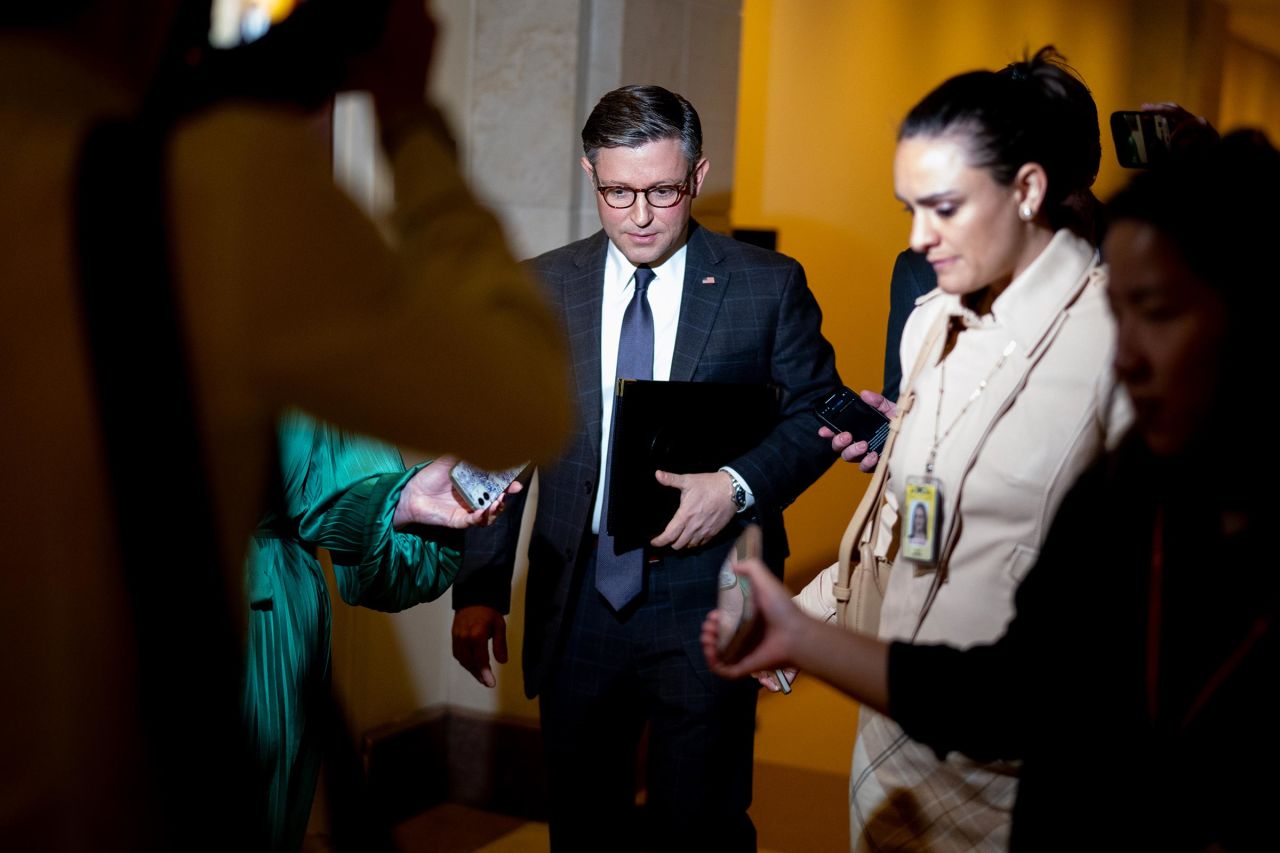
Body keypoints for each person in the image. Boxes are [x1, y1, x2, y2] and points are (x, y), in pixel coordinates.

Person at [0, 0, 570, 849]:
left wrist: (400, 497)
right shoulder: (204, 187)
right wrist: (411, 124)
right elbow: (525, 397)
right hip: (149, 748)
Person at [708, 129, 1280, 852]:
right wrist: (800, 634)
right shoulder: (1118, 496)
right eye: (1123, 314)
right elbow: (1003, 693)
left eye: (1158, 313)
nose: (1129, 354)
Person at [450, 84, 840, 851]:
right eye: (617, 191)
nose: (638, 215)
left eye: (661, 191)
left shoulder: (765, 284)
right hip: (577, 597)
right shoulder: (540, 287)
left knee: (701, 825)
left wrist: (736, 487)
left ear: (697, 177)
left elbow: (821, 415)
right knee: (583, 823)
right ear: (591, 174)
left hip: (707, 594)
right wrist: (482, 587)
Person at [794, 48, 1131, 850]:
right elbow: (911, 511)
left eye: (943, 207)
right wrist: (806, 617)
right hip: (896, 725)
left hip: (1022, 754)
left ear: (1028, 190)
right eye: (910, 207)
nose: (917, 238)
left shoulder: (1121, 338)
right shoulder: (928, 319)